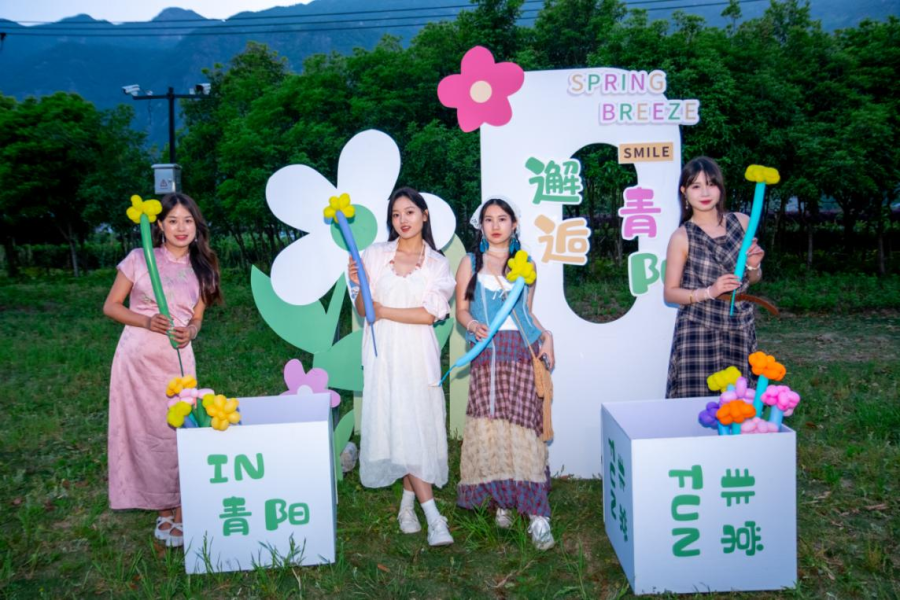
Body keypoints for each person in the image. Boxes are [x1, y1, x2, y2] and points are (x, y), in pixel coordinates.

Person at [102, 192, 222, 548]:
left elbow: (196, 317)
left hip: (177, 361)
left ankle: (183, 507)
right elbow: (111, 306)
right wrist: (146, 320)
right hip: (136, 361)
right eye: (172, 221)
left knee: (180, 430)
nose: (181, 228)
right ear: (159, 225)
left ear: (196, 226)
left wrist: (192, 331)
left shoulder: (204, 267)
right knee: (146, 432)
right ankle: (163, 507)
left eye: (187, 220)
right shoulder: (139, 259)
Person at [348, 187, 456, 547]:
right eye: (396, 214)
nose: (402, 220)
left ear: (424, 215)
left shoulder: (438, 263)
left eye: (409, 212)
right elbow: (364, 309)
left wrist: (384, 310)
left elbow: (429, 315)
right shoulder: (376, 254)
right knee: (399, 424)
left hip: (418, 354)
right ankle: (432, 517)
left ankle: (410, 508)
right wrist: (358, 283)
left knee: (416, 425)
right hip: (383, 354)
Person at [454, 197, 556, 551]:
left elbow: (526, 312)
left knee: (525, 429)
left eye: (502, 219)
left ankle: (537, 515)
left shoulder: (526, 263)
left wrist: (547, 336)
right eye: (488, 219)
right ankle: (502, 500)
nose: (495, 225)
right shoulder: (470, 263)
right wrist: (473, 325)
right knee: (492, 428)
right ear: (480, 226)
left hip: (523, 352)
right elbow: (461, 311)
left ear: (514, 224)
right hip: (489, 356)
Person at [664, 156, 765, 398]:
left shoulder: (742, 222)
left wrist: (753, 266)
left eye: (711, 184)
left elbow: (753, 279)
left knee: (738, 402)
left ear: (720, 187)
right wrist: (710, 291)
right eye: (696, 186)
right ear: (684, 192)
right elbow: (670, 293)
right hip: (698, 326)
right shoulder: (682, 236)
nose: (705, 192)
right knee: (695, 402)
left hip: (739, 324)